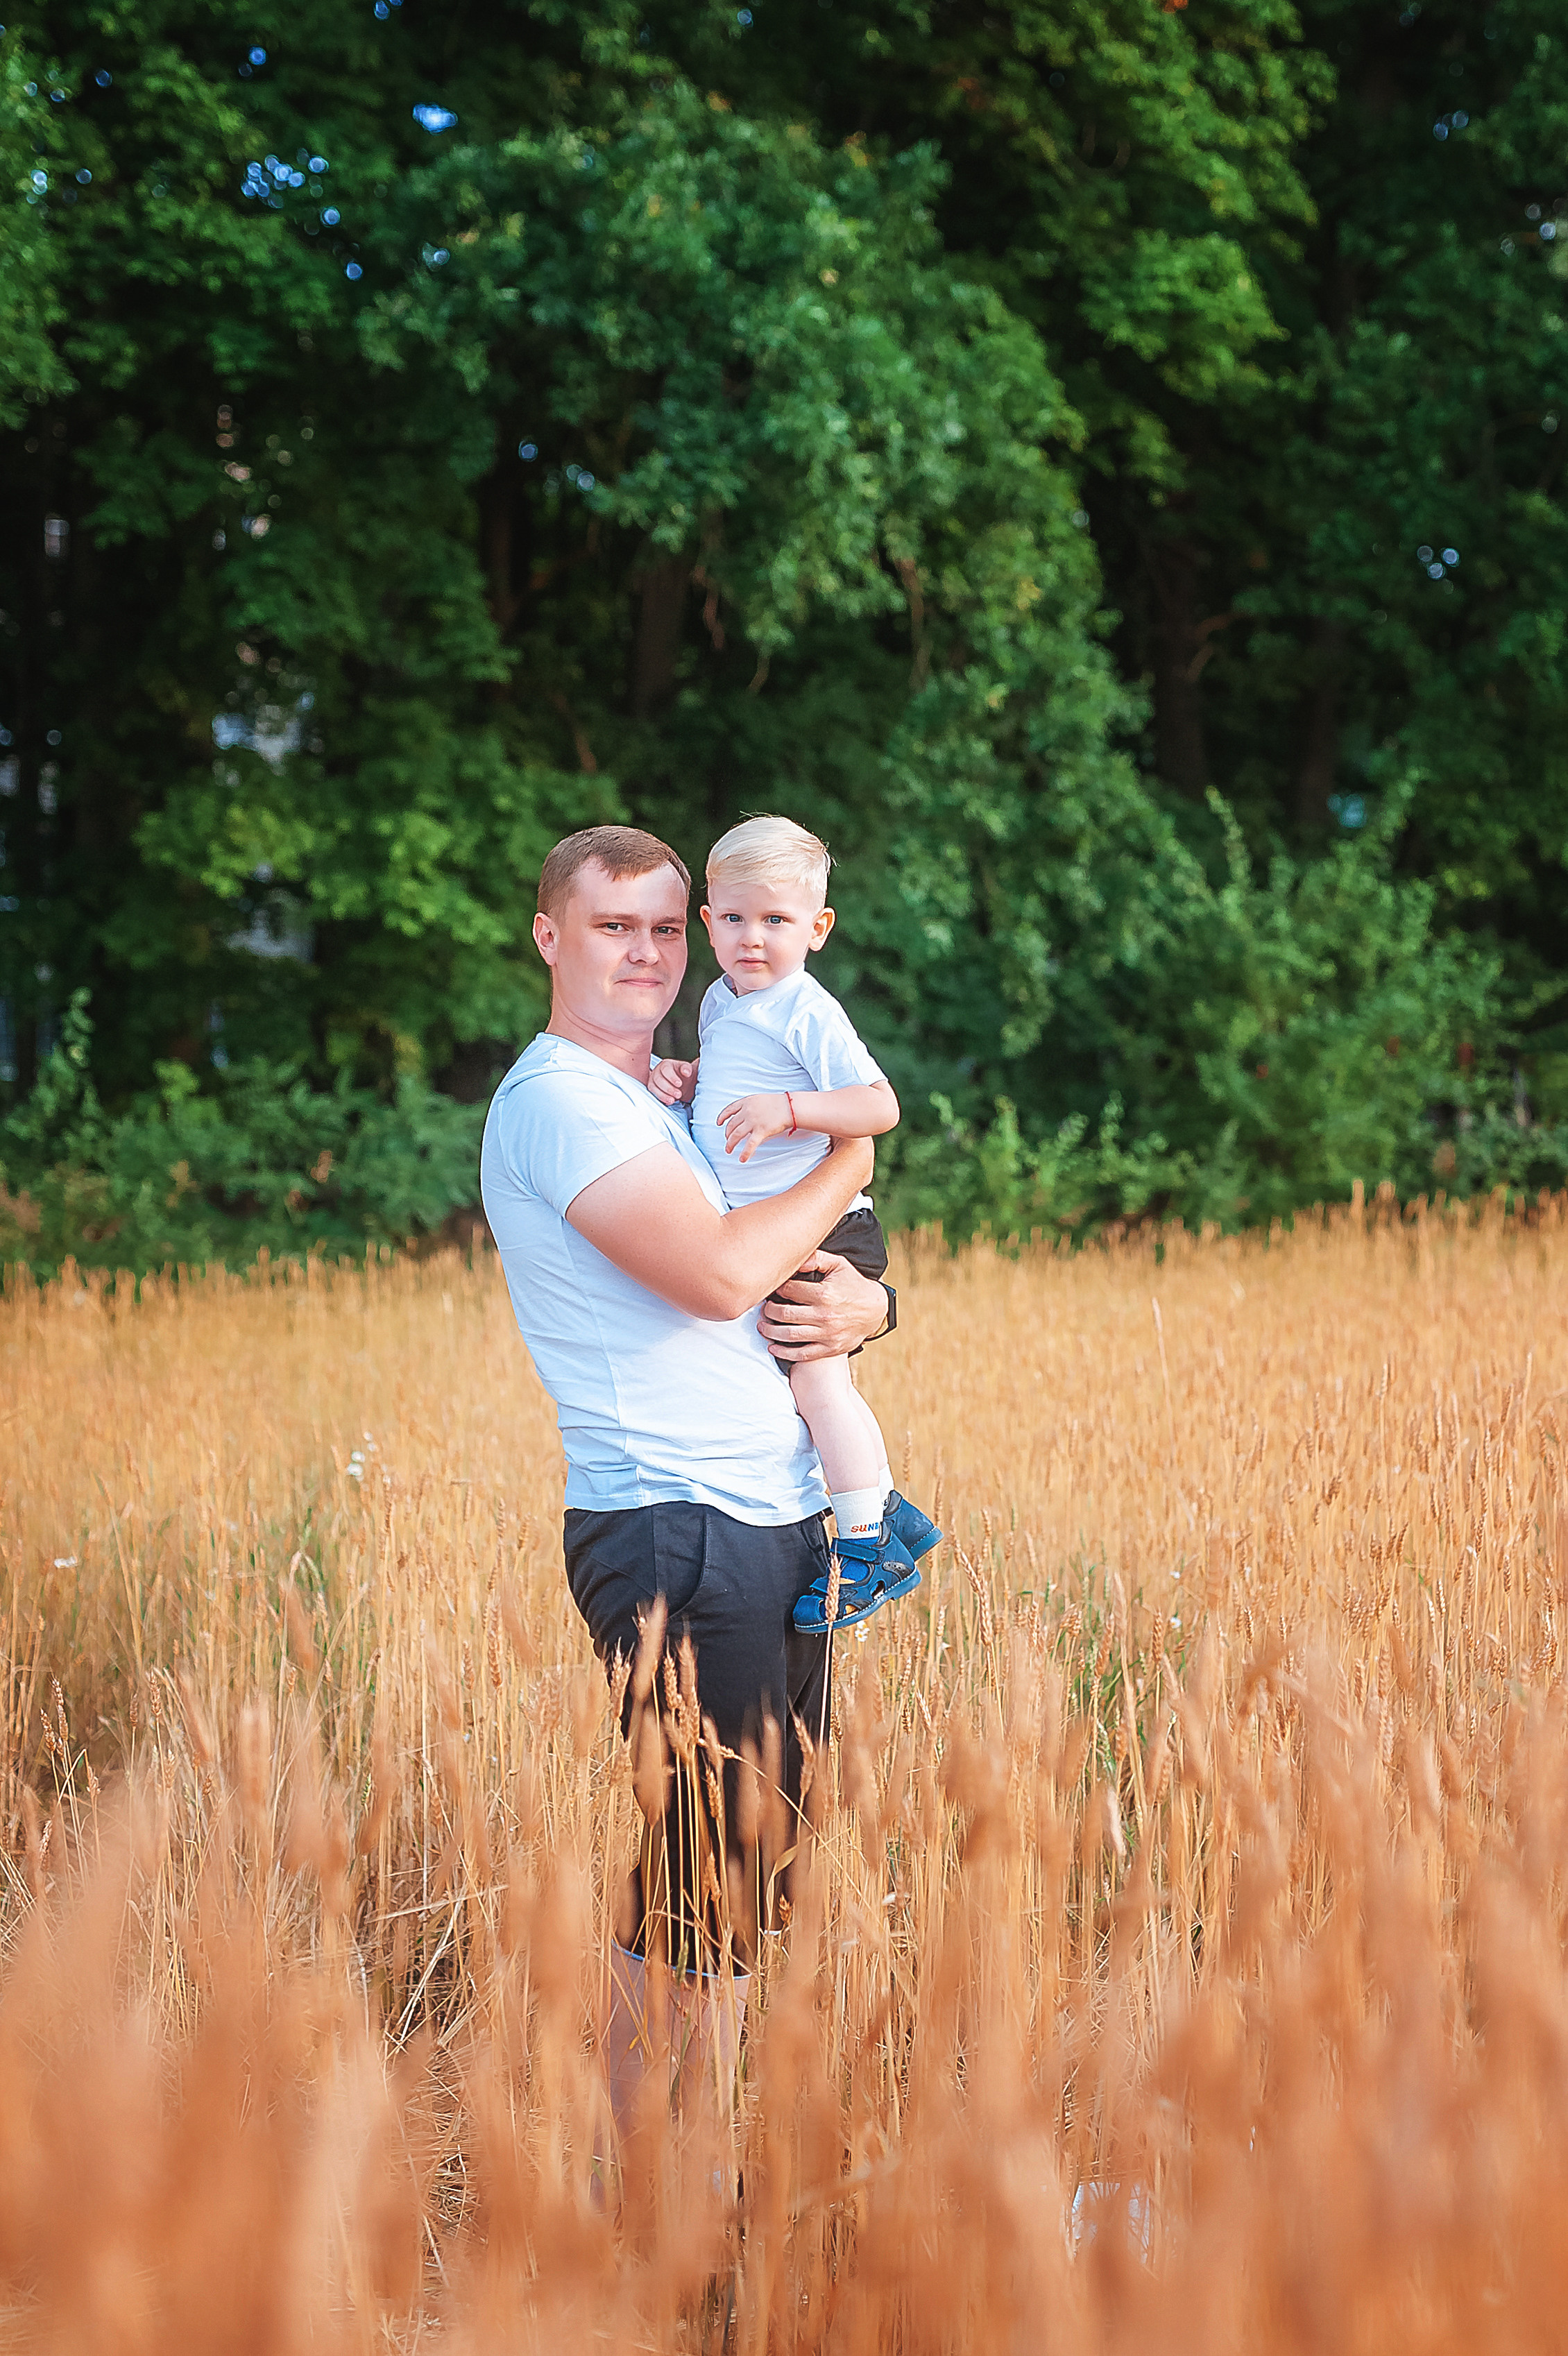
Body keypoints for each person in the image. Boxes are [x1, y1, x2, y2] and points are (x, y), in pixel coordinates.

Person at [479, 825, 894, 2107]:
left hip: (762, 1515)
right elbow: (722, 1274)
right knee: (716, 1869)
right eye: (616, 926)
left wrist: (872, 1309)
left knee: (728, 1867)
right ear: (551, 935)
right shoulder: (557, 1099)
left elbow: (782, 1269)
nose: (649, 951)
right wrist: (852, 1161)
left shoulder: (664, 1090)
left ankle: (663, 2196)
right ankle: (679, 2214)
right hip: (675, 1519)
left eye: (668, 927)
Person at [650, 815, 941, 1632]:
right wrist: (691, 1078)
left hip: (823, 1227)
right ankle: (889, 1509)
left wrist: (792, 1109)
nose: (753, 938)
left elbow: (876, 1105)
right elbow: (737, 1072)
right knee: (791, 1389)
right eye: (735, 918)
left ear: (816, 929)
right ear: (708, 923)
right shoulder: (721, 1001)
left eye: (777, 921)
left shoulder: (805, 1007)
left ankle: (866, 1545)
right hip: (771, 1233)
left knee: (818, 1383)